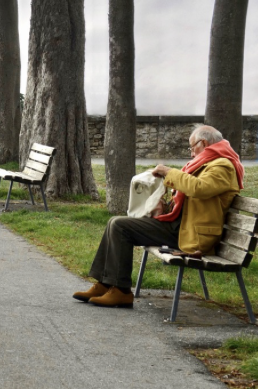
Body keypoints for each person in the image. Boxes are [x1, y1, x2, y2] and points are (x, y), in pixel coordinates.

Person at [73, 125, 244, 308]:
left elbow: (199, 189)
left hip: (192, 234)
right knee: (115, 222)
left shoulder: (223, 165)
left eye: (192, 147)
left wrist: (168, 172)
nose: (192, 153)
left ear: (203, 143)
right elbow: (194, 197)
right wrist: (168, 206)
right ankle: (105, 284)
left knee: (120, 226)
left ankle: (121, 292)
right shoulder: (211, 162)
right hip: (182, 226)